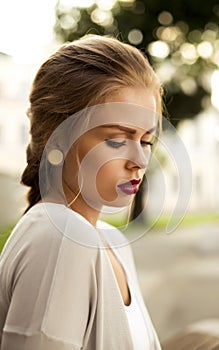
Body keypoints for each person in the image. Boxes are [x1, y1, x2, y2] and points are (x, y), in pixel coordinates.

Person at [0, 35, 163, 349]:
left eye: (146, 141)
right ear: (56, 138)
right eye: (117, 140)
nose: (140, 161)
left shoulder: (110, 239)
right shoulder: (62, 237)